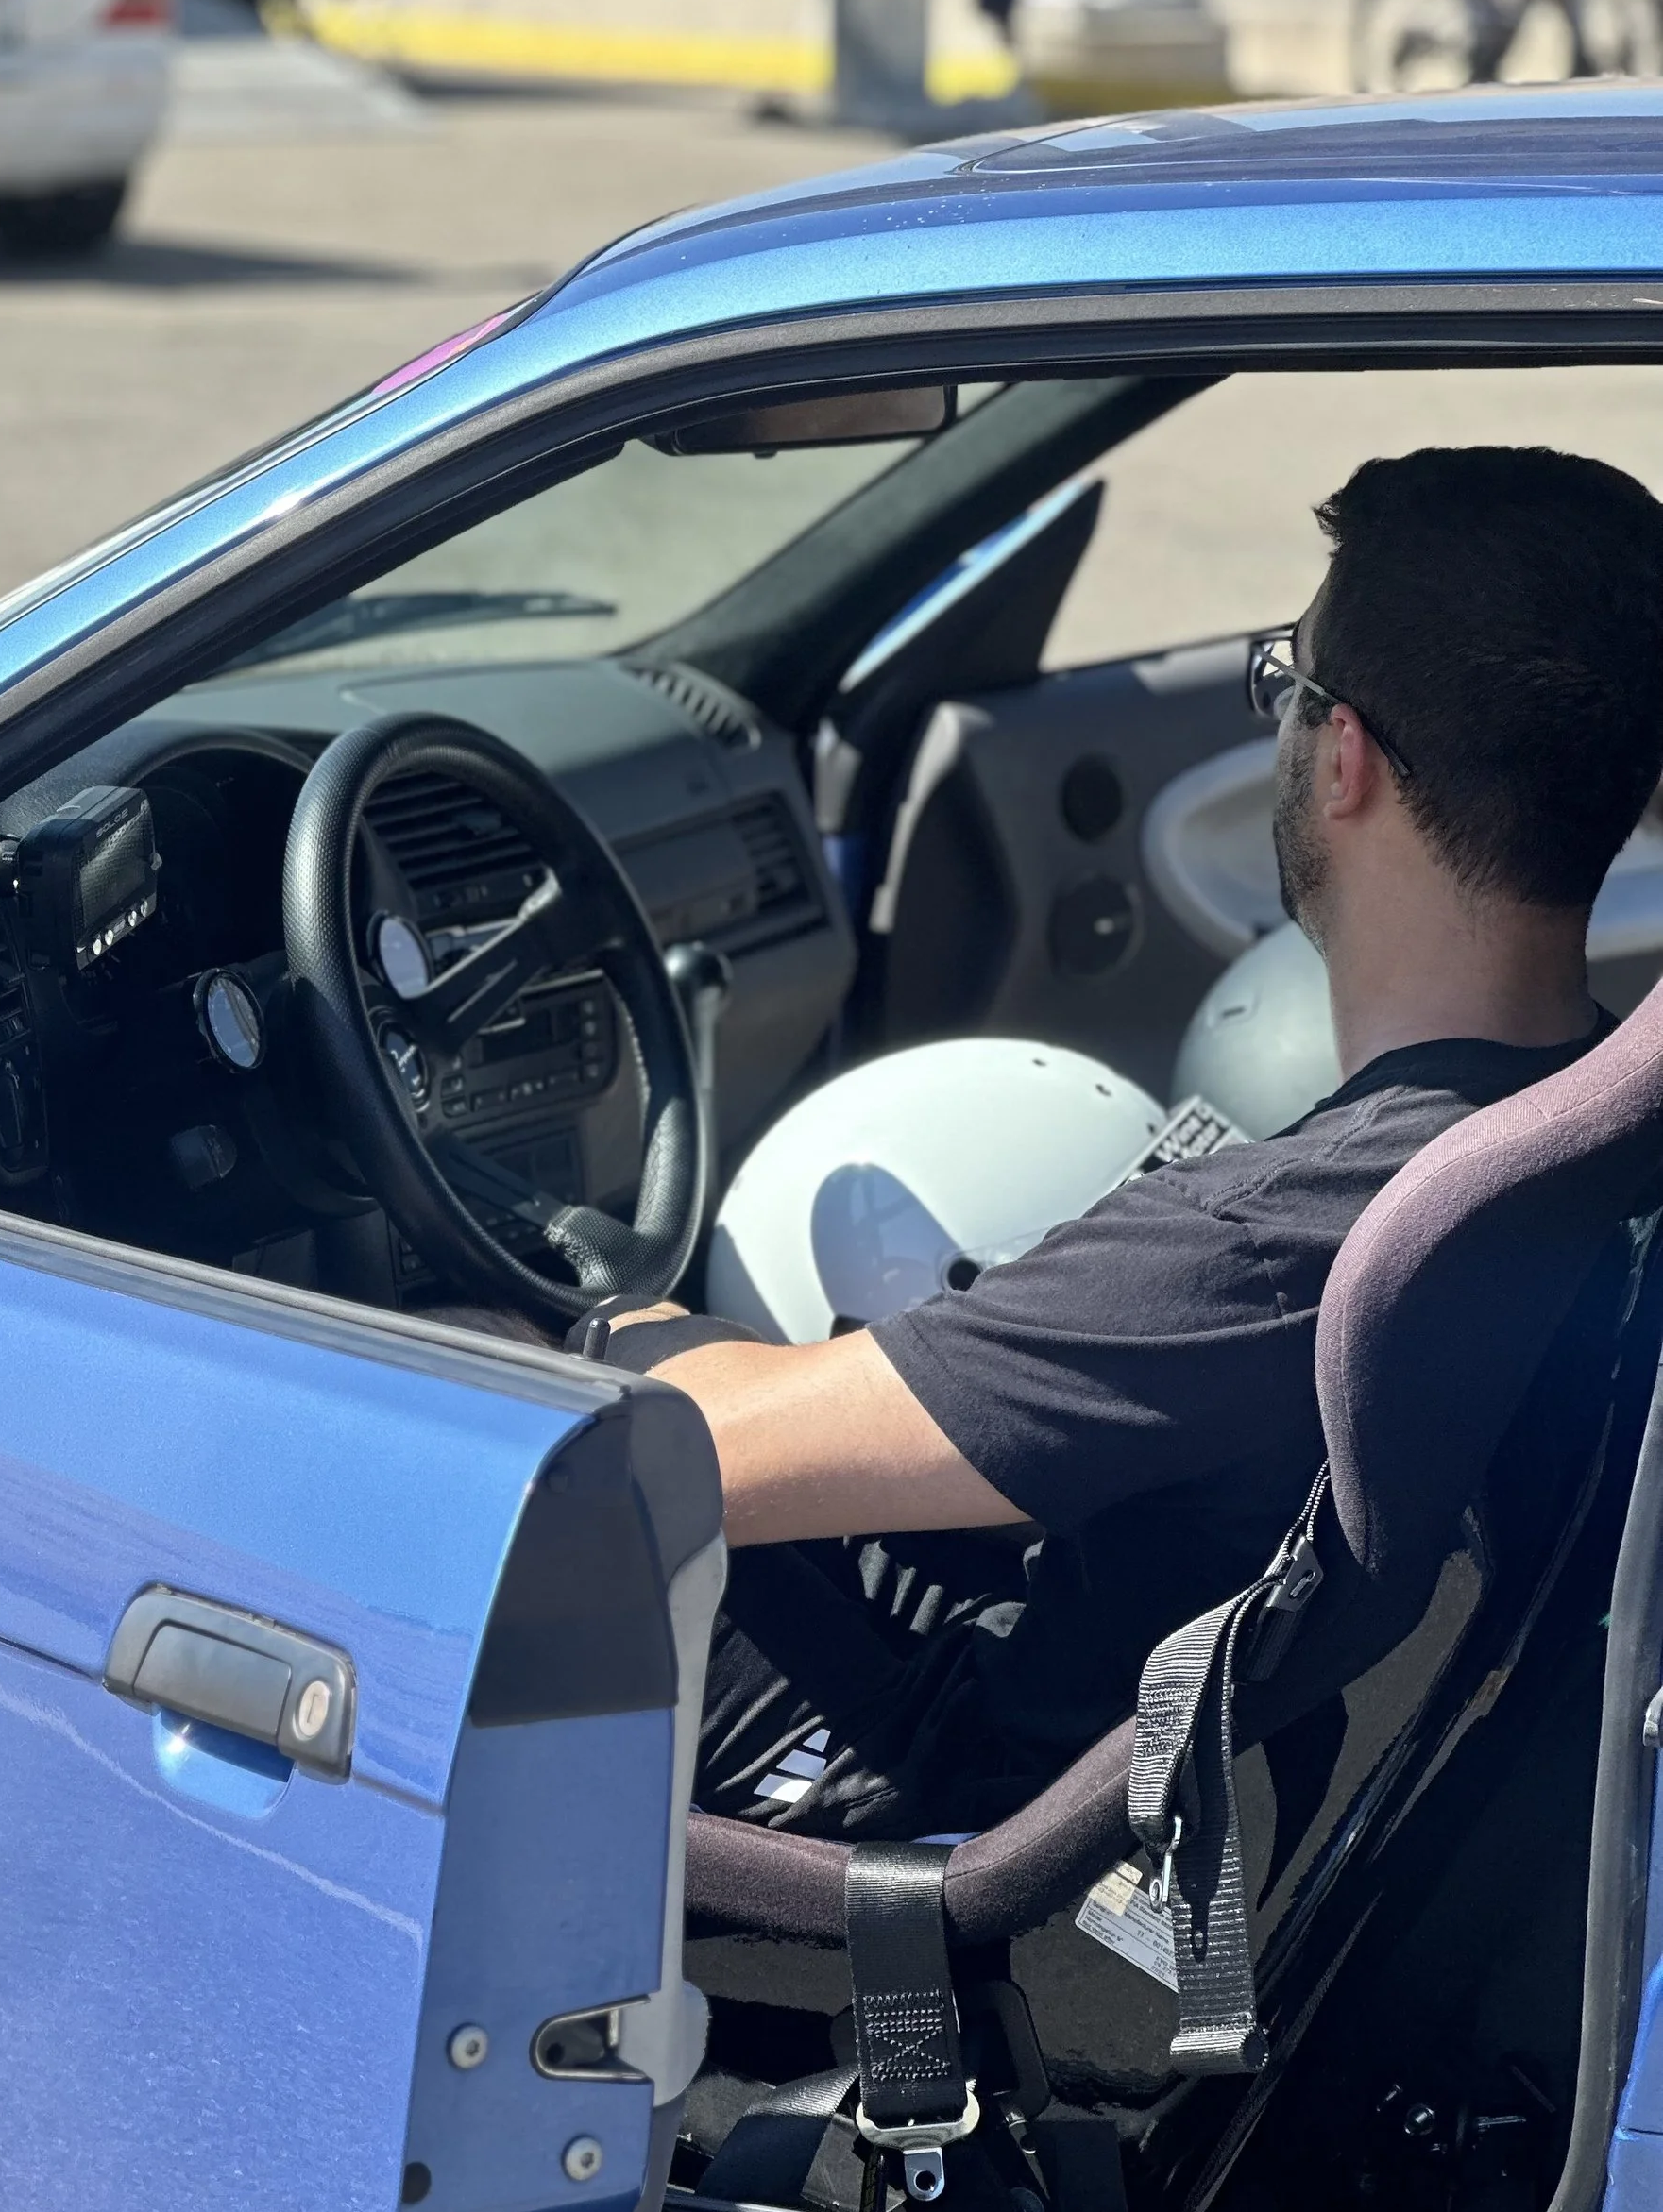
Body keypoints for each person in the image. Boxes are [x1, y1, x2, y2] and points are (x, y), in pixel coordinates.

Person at [613, 446, 1663, 1845]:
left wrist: (602, 1323)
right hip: (1214, 1771)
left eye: (1290, 678)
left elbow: (687, 1452)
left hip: (965, 1816)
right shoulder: (1585, 1135)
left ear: (1342, 757)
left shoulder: (1272, 1242)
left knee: (486, 1414)